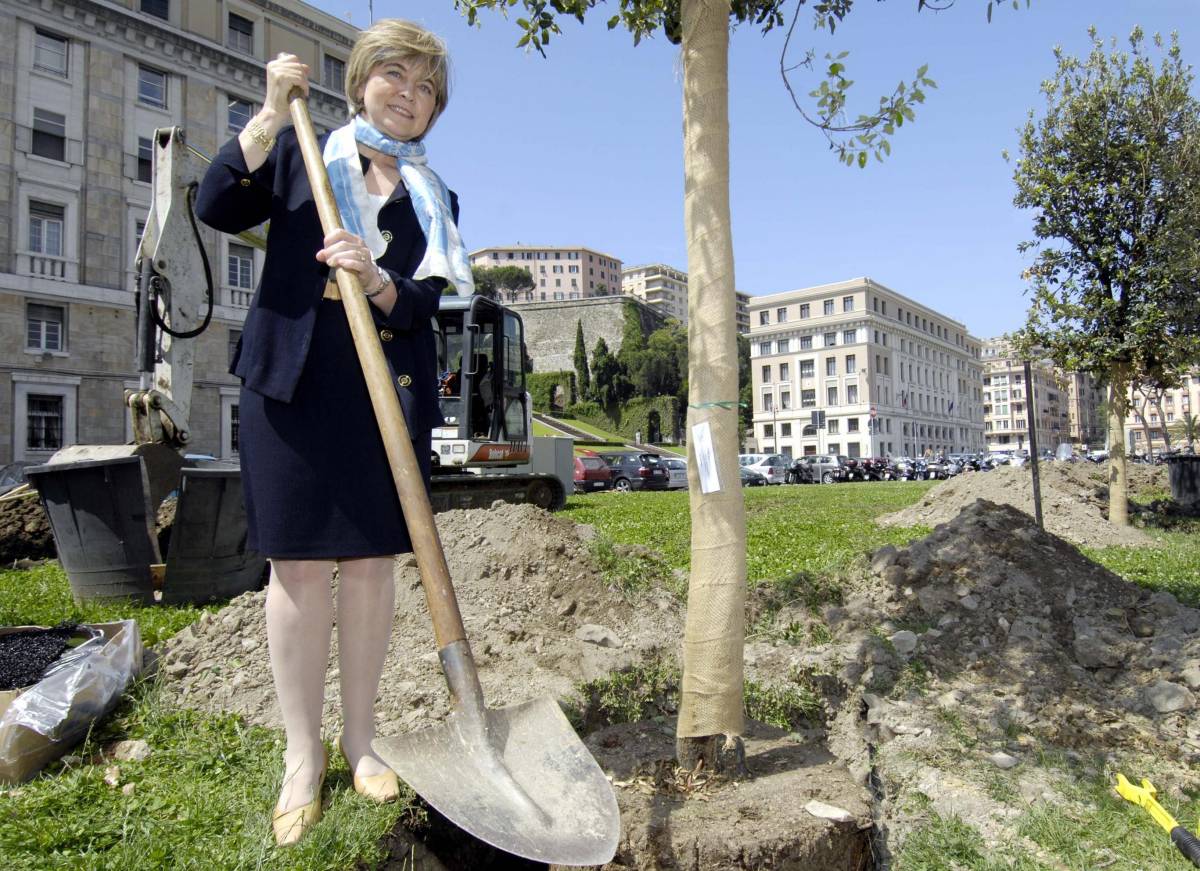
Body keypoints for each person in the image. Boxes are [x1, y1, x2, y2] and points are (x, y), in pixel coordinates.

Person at [195, 19, 471, 847]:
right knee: (301, 567)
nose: (410, 96)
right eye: (396, 76)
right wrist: (271, 114)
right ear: (360, 83)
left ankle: (361, 742)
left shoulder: (434, 197)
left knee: (372, 567)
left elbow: (432, 307)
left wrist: (383, 281)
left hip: (382, 387)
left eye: (426, 87)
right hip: (295, 375)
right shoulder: (301, 153)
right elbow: (214, 203)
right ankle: (301, 753)